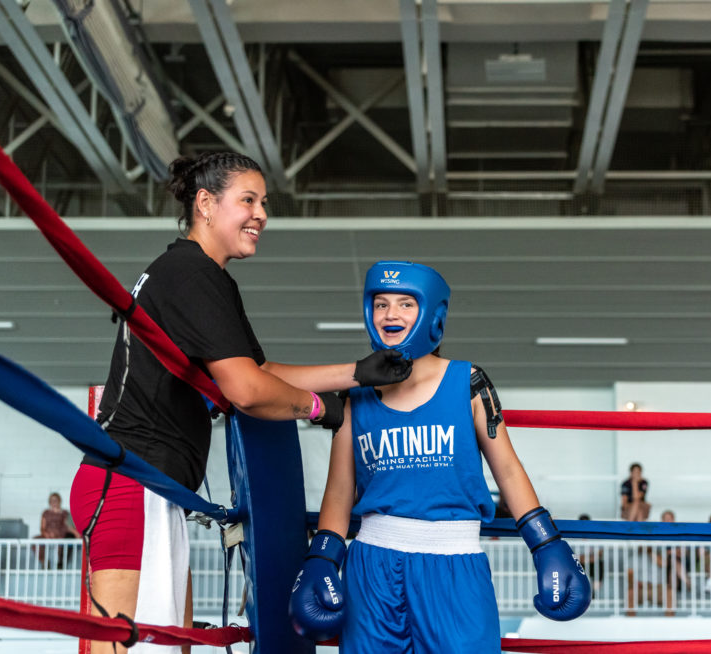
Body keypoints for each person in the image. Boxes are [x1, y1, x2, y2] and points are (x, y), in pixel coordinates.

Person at [69, 152, 412, 654]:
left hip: (149, 485)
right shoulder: (190, 274)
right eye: (248, 200)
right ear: (205, 204)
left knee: (163, 646)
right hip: (130, 482)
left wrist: (356, 373)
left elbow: (260, 371)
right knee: (127, 648)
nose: (262, 214)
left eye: (264, 203)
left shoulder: (199, 274)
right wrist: (319, 410)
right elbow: (246, 390)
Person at [288, 261, 590, 653]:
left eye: (404, 303)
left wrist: (546, 543)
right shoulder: (355, 393)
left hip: (454, 562)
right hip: (373, 564)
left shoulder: (468, 382)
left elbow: (509, 472)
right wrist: (323, 558)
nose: (390, 313)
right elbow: (341, 487)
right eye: (380, 304)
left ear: (432, 313)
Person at [35, 492, 80, 569]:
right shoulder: (45, 513)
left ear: (59, 501)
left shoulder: (64, 513)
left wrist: (76, 533)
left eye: (55, 500)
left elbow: (67, 525)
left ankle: (60, 563)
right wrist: (46, 534)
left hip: (60, 535)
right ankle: (44, 562)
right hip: (47, 535)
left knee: (66, 541)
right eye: (52, 500)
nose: (54, 502)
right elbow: (42, 527)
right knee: (36, 540)